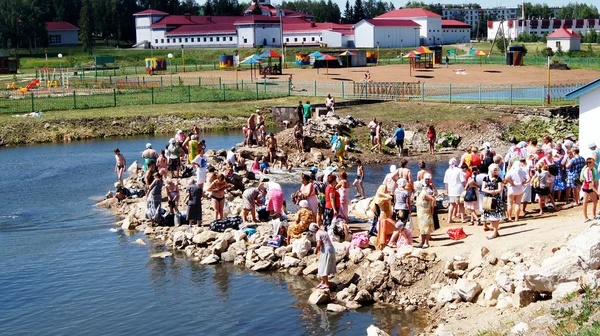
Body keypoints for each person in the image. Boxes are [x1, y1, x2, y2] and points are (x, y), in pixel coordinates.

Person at [482, 164, 505, 239]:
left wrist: (493, 191)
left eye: (497, 170)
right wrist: (489, 192)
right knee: (491, 216)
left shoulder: (498, 179)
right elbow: (483, 188)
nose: (496, 171)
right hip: (488, 198)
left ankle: (495, 232)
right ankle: (496, 232)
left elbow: (500, 189)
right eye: (494, 170)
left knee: (496, 216)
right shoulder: (486, 178)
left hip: (496, 199)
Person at [311, 223, 336, 290]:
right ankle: (323, 281)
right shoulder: (323, 231)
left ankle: (326, 284)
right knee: (324, 265)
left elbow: (319, 244)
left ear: (313, 230)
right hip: (331, 248)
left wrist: (316, 250)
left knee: (323, 266)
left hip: (326, 250)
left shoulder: (318, 234)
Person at [390, 178, 411, 246]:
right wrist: (410, 210)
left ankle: (397, 239)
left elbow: (395, 200)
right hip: (404, 209)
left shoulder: (396, 190)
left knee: (398, 225)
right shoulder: (406, 192)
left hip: (397, 208)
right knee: (403, 226)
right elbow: (407, 202)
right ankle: (402, 239)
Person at [444, 158, 466, 224]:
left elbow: (446, 182)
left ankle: (449, 219)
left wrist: (447, 190)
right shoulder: (459, 170)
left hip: (451, 190)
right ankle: (462, 219)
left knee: (452, 205)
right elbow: (463, 181)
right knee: (461, 204)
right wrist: (465, 187)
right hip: (459, 189)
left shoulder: (447, 171)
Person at [373, 185, 394, 250]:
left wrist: (382, 193)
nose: (386, 190)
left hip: (388, 215)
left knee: (388, 230)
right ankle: (382, 245)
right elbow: (390, 197)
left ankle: (387, 243)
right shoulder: (379, 199)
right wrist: (381, 193)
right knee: (384, 230)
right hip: (383, 215)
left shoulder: (380, 197)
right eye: (385, 189)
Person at [581, 158, 598, 222]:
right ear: (589, 164)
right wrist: (596, 191)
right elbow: (589, 182)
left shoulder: (591, 170)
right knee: (585, 202)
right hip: (587, 188)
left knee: (595, 201)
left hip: (590, 188)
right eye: (593, 163)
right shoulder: (587, 171)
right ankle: (585, 217)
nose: (594, 164)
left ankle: (594, 215)